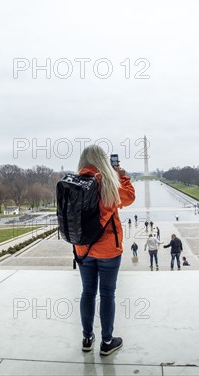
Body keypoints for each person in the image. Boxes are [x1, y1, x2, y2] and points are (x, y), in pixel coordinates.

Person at [74, 145, 135, 356]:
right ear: (103, 161)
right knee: (107, 294)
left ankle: (87, 338)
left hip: (82, 248)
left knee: (87, 292)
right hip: (108, 248)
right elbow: (130, 196)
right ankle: (107, 341)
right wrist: (121, 175)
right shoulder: (107, 183)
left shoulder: (74, 183)